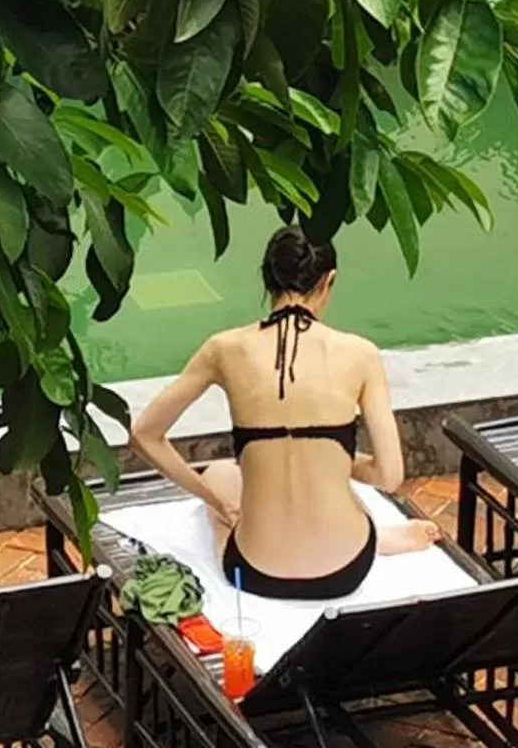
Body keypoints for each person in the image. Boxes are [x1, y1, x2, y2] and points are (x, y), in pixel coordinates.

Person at [130, 225, 441, 600]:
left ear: (267, 277)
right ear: (330, 281)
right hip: (347, 568)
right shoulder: (361, 355)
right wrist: (333, 454)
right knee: (329, 482)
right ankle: (379, 538)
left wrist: (216, 502)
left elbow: (144, 434)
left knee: (222, 474)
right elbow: (389, 476)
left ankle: (230, 510)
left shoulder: (224, 349)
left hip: (255, 570)